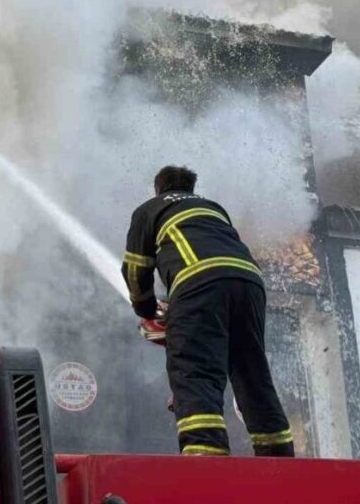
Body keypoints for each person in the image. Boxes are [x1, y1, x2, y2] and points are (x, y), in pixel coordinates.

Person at [121, 165, 294, 457]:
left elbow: (136, 269)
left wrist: (148, 309)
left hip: (198, 282)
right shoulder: (213, 208)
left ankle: (205, 455)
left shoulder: (148, 210)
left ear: (158, 188)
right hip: (249, 283)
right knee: (251, 370)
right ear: (190, 187)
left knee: (194, 370)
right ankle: (278, 455)